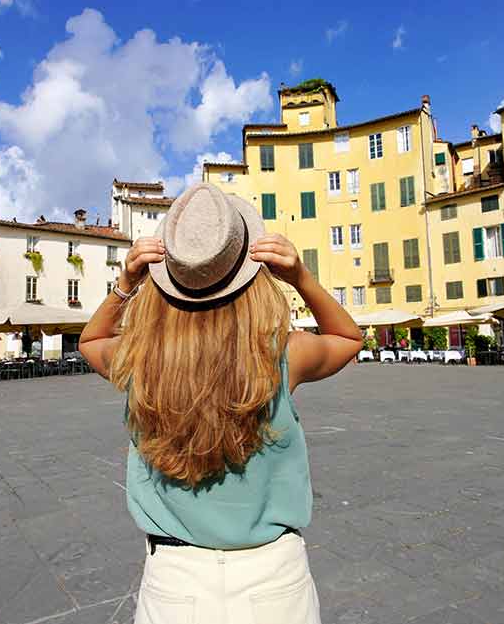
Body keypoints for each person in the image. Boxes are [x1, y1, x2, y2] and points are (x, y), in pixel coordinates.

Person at [80, 183, 361, 624]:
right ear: (251, 274)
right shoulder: (283, 357)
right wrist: (300, 277)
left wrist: (125, 284)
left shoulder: (136, 362)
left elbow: (91, 339)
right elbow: (348, 337)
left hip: (173, 583)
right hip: (275, 581)